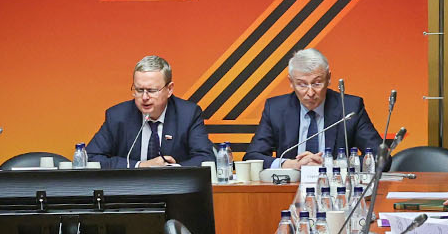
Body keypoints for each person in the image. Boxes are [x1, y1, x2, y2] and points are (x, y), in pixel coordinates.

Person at [244, 47, 382, 168]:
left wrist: (331, 163)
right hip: (290, 185)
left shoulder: (350, 108)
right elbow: (252, 157)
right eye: (302, 84)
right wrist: (288, 164)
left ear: (328, 78)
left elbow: (381, 158)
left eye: (317, 83)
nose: (310, 93)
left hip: (335, 184)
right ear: (291, 82)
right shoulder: (275, 109)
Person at [84, 56, 216, 169]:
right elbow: (90, 158)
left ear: (169, 89)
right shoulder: (118, 116)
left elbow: (206, 159)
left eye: (152, 90)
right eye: (139, 90)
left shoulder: (187, 114)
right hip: (130, 189)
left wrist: (172, 170)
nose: (145, 97)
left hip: (174, 188)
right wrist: (140, 165)